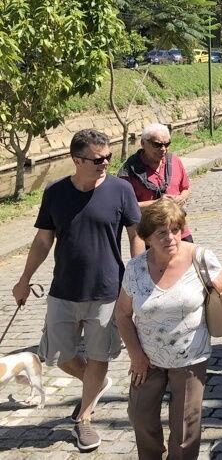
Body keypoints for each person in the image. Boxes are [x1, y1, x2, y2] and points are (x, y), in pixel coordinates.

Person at [12, 129, 143, 452]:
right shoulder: (55, 192)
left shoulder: (120, 190)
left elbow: (135, 235)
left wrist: (139, 278)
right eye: (98, 159)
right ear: (77, 160)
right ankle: (93, 384)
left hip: (108, 291)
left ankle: (83, 419)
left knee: (100, 355)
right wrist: (24, 279)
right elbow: (44, 240)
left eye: (109, 157)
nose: (105, 163)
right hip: (64, 290)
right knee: (59, 356)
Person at [116, 198, 222, 460]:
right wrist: (136, 355)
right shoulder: (136, 268)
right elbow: (122, 313)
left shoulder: (199, 257)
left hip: (189, 358)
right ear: (147, 237)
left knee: (185, 429)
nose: (170, 238)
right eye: (161, 232)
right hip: (147, 359)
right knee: (140, 416)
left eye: (175, 230)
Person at [119, 123, 193, 240]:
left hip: (180, 233)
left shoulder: (174, 161)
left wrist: (182, 197)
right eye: (157, 145)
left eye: (167, 144)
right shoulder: (128, 171)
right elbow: (125, 206)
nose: (163, 149)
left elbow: (185, 188)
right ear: (143, 143)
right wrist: (157, 203)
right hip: (150, 238)